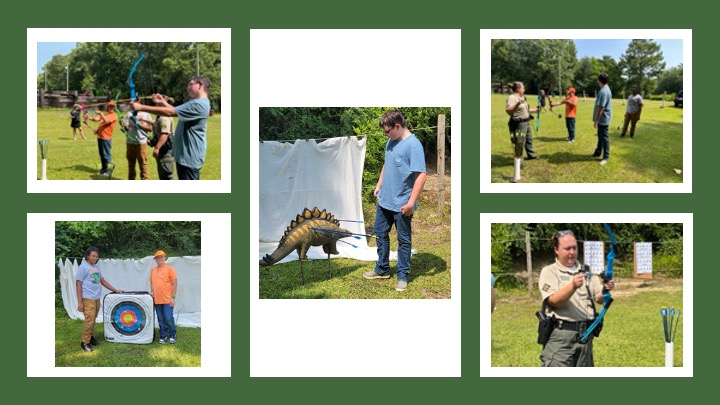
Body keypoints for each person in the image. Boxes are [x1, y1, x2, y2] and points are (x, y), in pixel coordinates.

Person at [363, 109, 426, 292]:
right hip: (384, 201)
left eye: (388, 131)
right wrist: (379, 185)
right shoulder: (391, 141)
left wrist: (411, 203)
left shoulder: (413, 145)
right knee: (380, 234)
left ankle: (402, 275)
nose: (386, 135)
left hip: (402, 205)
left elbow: (421, 175)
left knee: (403, 240)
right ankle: (382, 269)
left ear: (397, 126)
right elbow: (387, 163)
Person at [538, 230, 615, 367]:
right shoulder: (549, 271)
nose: (572, 252)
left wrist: (606, 290)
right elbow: (553, 301)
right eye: (567, 248)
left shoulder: (586, 271)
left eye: (574, 248)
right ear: (556, 249)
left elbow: (599, 299)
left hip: (585, 335)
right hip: (561, 338)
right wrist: (572, 286)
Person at [131, 76, 211, 180]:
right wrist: (163, 102)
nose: (188, 88)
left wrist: (141, 107)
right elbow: (175, 110)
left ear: (200, 85)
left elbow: (170, 112)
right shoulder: (197, 103)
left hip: (189, 158)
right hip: (185, 157)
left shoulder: (199, 104)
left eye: (190, 84)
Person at [75, 246, 124, 352]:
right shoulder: (83, 267)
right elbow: (78, 284)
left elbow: (102, 281)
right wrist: (80, 302)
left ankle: (91, 337)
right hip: (87, 298)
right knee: (89, 320)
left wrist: (115, 290)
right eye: (93, 256)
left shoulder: (96, 267)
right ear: (88, 256)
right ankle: (85, 342)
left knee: (93, 319)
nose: (95, 258)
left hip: (96, 298)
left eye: (96, 256)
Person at [505, 82, 541, 183]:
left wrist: (537, 109)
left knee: (529, 140)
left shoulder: (522, 97)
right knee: (519, 142)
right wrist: (517, 103)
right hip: (519, 124)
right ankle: (519, 161)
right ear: (518, 89)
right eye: (523, 88)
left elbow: (526, 109)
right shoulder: (512, 98)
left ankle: (531, 155)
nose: (524, 89)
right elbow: (508, 111)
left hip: (526, 122)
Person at [139, 96, 176, 180]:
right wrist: (143, 119)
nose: (155, 106)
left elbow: (165, 134)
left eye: (156, 104)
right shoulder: (161, 116)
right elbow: (156, 123)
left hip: (165, 151)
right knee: (163, 174)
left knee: (167, 175)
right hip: (163, 150)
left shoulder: (164, 117)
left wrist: (157, 148)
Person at [149, 250, 178, 344]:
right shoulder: (153, 270)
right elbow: (152, 283)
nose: (159, 259)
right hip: (157, 300)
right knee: (160, 319)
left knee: (168, 318)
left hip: (167, 299)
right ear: (155, 259)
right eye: (157, 257)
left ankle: (173, 334)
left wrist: (173, 297)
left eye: (161, 257)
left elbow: (174, 284)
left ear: (165, 258)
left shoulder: (170, 269)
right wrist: (152, 291)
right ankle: (163, 335)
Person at [87, 100, 118, 175]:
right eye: (109, 106)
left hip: (106, 138)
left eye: (112, 106)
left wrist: (100, 113)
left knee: (106, 154)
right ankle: (104, 169)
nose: (110, 107)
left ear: (114, 107)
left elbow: (106, 121)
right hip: (100, 137)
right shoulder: (105, 114)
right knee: (101, 154)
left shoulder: (114, 115)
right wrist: (88, 117)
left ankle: (109, 170)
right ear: (107, 106)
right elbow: (96, 119)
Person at [124, 108, 152, 180]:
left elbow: (150, 128)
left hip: (141, 142)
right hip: (130, 142)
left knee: (143, 164)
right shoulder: (129, 113)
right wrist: (123, 125)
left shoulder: (146, 114)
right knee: (131, 164)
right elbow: (127, 128)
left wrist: (138, 124)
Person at [590, 73, 612, 165]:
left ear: (599, 81)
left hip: (603, 118)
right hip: (602, 118)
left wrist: (596, 119)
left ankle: (605, 157)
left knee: (605, 138)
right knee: (600, 136)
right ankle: (598, 152)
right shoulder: (606, 89)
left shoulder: (603, 91)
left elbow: (601, 107)